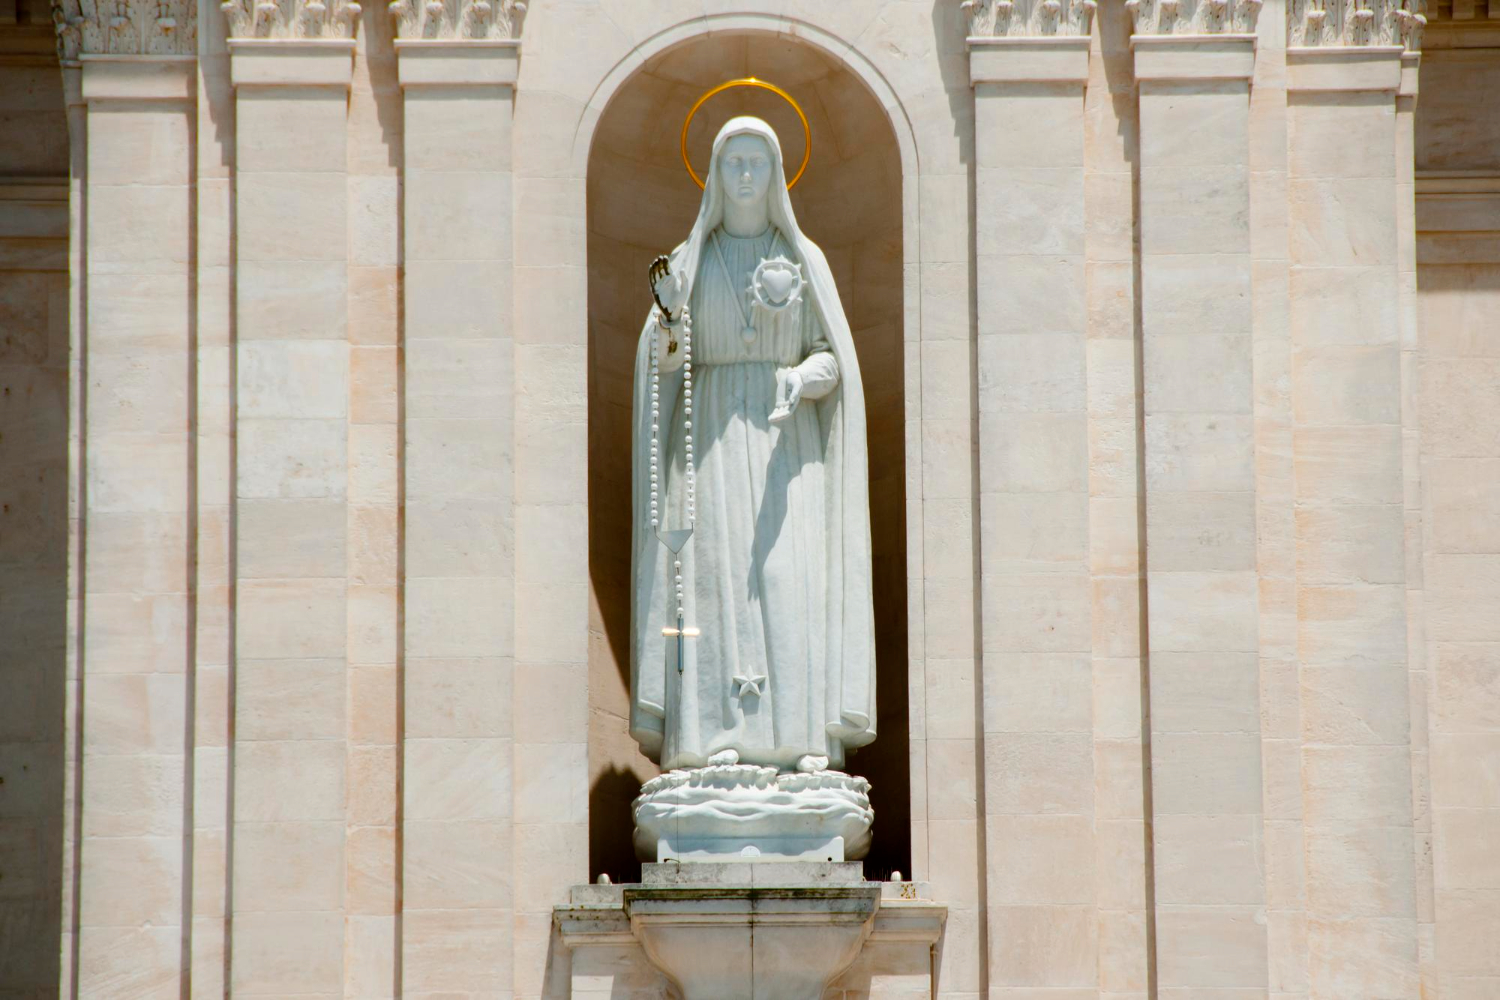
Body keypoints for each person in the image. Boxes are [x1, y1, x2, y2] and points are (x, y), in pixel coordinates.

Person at [629, 115, 876, 774]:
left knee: (786, 580)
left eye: (756, 163)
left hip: (783, 450)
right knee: (715, 583)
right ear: (714, 173)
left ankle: (799, 739)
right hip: (708, 445)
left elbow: (833, 361)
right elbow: (665, 369)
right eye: (733, 162)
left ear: (775, 175)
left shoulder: (804, 260)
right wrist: (669, 319)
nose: (744, 175)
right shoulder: (690, 262)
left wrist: (799, 377)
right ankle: (713, 739)